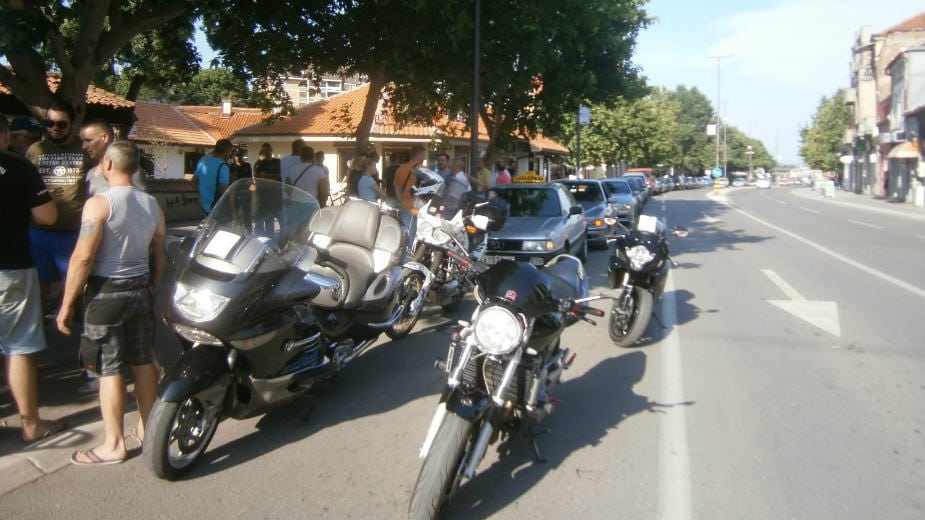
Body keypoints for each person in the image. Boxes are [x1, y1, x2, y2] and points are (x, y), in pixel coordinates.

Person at [56, 141, 166, 466]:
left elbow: (83, 256)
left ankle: (114, 444)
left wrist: (67, 303)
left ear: (107, 165)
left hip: (106, 292)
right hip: (141, 287)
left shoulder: (99, 203)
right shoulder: (152, 204)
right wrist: (153, 285)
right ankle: (148, 430)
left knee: (109, 367)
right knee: (143, 360)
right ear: (136, 167)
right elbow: (160, 251)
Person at [0, 116, 66, 445]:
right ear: (4, 135)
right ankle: (31, 424)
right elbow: (47, 216)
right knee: (18, 347)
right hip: (11, 266)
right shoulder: (19, 166)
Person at [26, 98, 92, 311]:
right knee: (39, 282)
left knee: (73, 285)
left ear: (71, 124)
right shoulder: (35, 150)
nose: (54, 128)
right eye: (50, 123)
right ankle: (38, 320)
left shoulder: (83, 150)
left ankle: (70, 320)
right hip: (38, 229)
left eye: (61, 124)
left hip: (72, 230)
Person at [80, 119, 144, 196]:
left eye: (88, 140)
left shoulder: (128, 168)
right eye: (82, 141)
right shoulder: (91, 172)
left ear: (105, 137)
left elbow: (140, 200)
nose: (84, 146)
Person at [193, 139, 232, 214]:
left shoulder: (202, 162)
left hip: (201, 207)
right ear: (227, 152)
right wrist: (232, 206)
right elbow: (225, 190)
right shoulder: (223, 166)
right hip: (215, 209)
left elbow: (193, 181)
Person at [393, 145, 426, 232]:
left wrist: (401, 200)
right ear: (419, 155)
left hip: (405, 205)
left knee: (406, 231)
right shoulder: (425, 170)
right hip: (420, 206)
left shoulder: (401, 169)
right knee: (420, 232)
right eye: (424, 155)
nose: (424, 158)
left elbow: (397, 188)